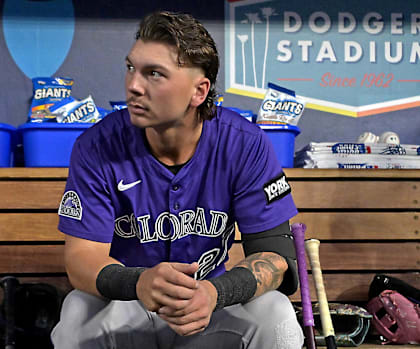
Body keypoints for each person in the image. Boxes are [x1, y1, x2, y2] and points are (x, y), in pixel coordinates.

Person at [52, 10, 303, 349]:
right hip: (131, 303)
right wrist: (140, 282)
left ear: (199, 92)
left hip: (209, 306)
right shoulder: (97, 146)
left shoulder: (244, 144)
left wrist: (216, 292)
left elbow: (276, 256)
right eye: (131, 68)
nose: (133, 86)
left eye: (154, 74)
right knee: (77, 312)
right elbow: (80, 259)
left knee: (277, 314)